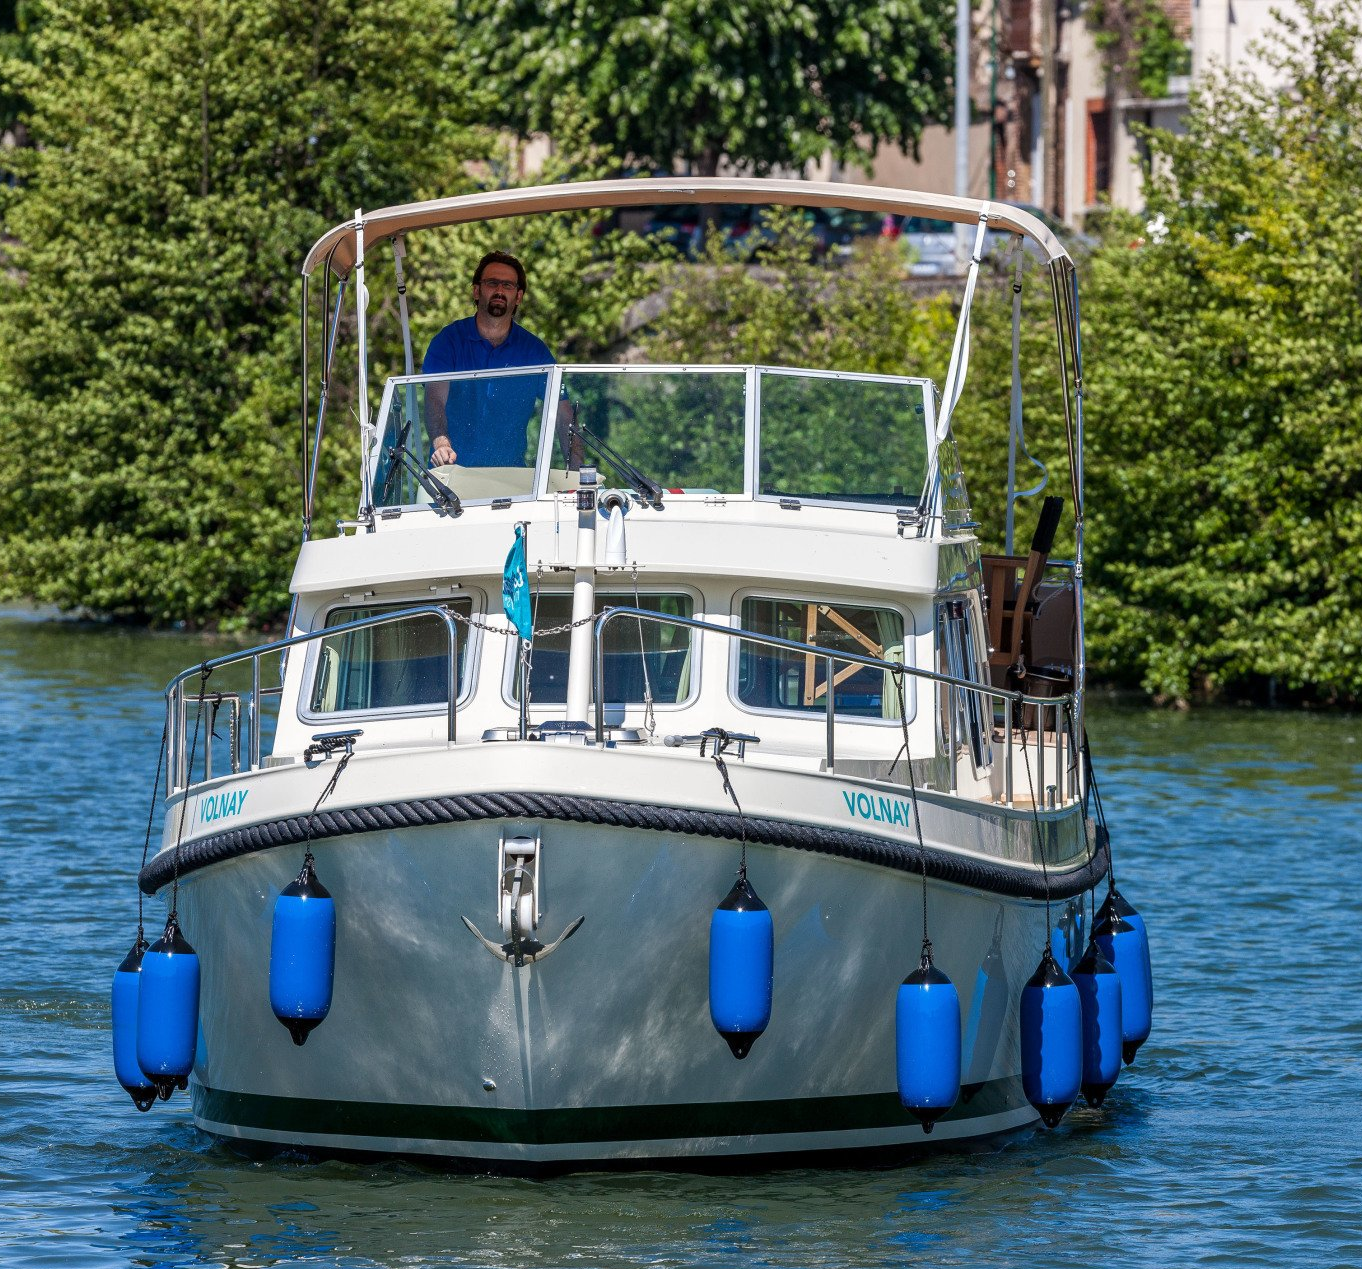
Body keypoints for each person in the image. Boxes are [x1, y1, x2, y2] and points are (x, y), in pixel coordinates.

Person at [423, 251, 556, 468]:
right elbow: (434, 398)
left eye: (508, 285)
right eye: (492, 283)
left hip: (511, 479)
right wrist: (441, 445)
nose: (500, 291)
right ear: (477, 291)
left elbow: (563, 411)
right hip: (452, 475)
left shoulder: (535, 351)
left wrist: (577, 472)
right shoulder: (448, 341)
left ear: (519, 297)